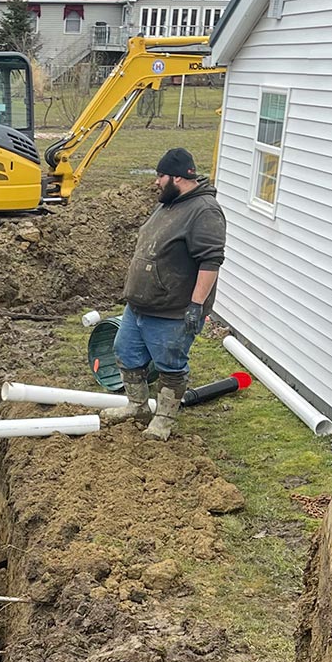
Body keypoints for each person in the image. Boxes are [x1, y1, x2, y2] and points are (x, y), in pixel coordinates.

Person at [115, 146, 228, 442]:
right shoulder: (168, 203)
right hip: (140, 304)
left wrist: (196, 306)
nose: (156, 181)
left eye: (161, 175)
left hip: (172, 310)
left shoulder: (204, 211)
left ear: (177, 178)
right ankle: (137, 406)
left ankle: (163, 420)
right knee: (125, 352)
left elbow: (210, 261)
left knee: (170, 365)